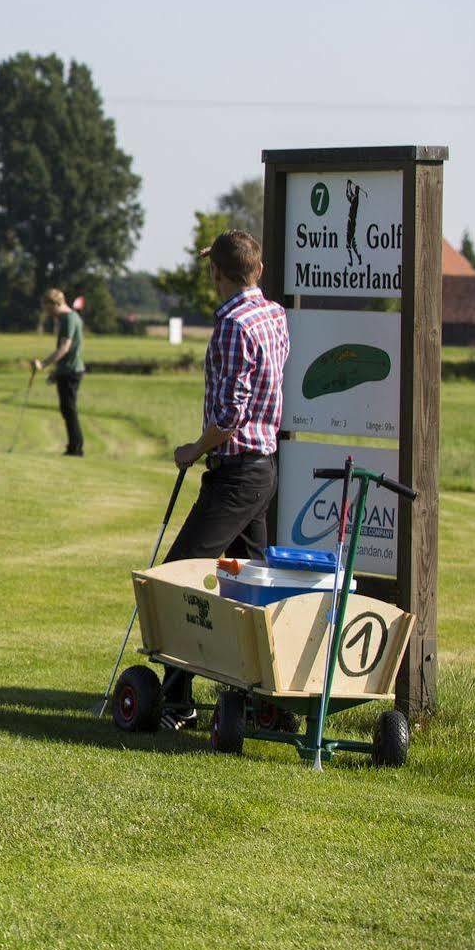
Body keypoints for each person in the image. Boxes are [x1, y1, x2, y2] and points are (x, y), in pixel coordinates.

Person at [158, 228, 290, 730]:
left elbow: (231, 414)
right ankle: (266, 702)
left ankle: (176, 700)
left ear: (217, 274)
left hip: (235, 473)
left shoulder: (233, 324)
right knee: (253, 587)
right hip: (262, 470)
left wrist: (192, 450)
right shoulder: (273, 314)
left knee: (178, 576)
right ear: (257, 268)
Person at [29, 288, 87, 457]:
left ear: (54, 304)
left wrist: (44, 364)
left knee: (69, 409)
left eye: (47, 308)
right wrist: (56, 372)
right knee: (67, 408)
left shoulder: (69, 319)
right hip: (67, 369)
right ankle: (74, 446)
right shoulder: (69, 318)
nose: (47, 313)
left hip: (71, 370)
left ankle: (76, 449)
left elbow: (65, 347)